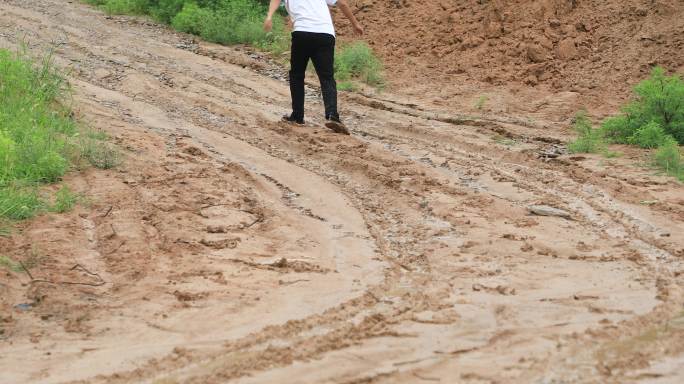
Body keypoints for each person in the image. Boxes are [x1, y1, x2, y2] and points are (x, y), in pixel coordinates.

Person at [264, 0, 364, 135]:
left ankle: (297, 116)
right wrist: (355, 24)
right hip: (325, 34)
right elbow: (342, 3)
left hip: (302, 33)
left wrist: (269, 16)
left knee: (297, 75)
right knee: (327, 77)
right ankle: (332, 115)